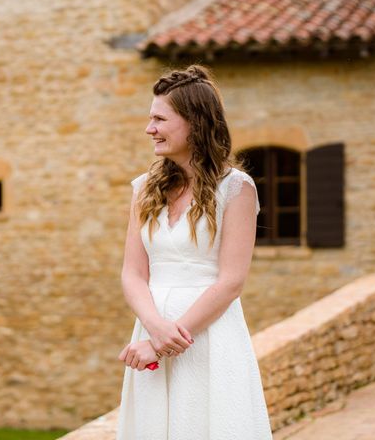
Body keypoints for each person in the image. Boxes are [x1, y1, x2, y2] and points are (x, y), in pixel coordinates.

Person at [116, 65, 272, 439]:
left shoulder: (237, 188)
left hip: (209, 338)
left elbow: (231, 281)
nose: (148, 128)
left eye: (159, 118)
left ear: (194, 122)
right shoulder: (144, 189)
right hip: (153, 326)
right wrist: (155, 329)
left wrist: (165, 343)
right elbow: (133, 273)